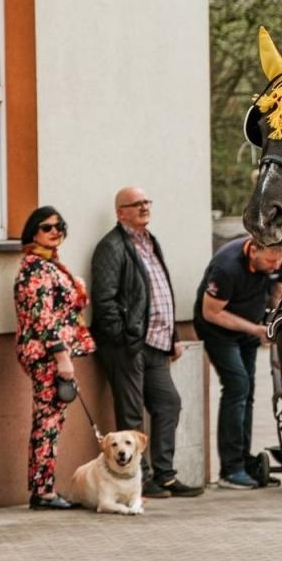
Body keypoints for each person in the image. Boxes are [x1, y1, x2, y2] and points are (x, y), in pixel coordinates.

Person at [91, 187, 201, 498]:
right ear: (120, 212)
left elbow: (159, 292)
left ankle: (164, 475)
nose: (143, 207)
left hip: (157, 343)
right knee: (131, 415)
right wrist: (124, 340)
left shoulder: (150, 242)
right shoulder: (112, 247)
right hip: (130, 346)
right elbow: (105, 300)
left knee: (169, 403)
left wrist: (173, 337)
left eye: (146, 202)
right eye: (135, 204)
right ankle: (140, 477)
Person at [14, 207, 96, 510]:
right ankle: (43, 492)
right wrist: (62, 359)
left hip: (51, 352)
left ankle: (43, 488)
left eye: (59, 226)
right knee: (47, 423)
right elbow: (44, 318)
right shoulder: (34, 269)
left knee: (51, 421)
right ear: (32, 232)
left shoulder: (51, 265)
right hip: (46, 354)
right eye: (47, 227)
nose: (55, 231)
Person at [196, 236, 282, 489]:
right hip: (218, 329)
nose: (275, 266)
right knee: (237, 386)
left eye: (279, 260)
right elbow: (211, 312)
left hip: (251, 326)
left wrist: (276, 321)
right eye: (270, 261)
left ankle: (245, 462)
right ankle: (230, 468)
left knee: (247, 393)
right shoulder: (226, 267)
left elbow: (278, 292)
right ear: (253, 252)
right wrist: (256, 329)